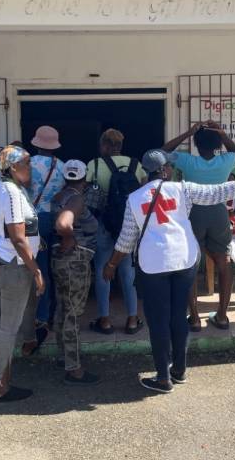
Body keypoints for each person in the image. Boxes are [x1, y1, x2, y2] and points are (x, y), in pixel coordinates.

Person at [104, 149, 235, 393]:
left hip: (153, 264)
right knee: (178, 315)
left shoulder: (134, 198)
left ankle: (163, 378)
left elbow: (125, 240)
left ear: (145, 171)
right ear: (165, 169)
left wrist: (111, 264)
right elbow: (219, 191)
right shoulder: (182, 189)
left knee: (158, 320)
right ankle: (179, 370)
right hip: (184, 260)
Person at [0, 145, 45, 402]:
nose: (30, 168)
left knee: (12, 323)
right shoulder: (12, 193)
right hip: (16, 265)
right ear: (12, 167)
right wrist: (36, 270)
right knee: (8, 328)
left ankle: (3, 380)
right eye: (26, 163)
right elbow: (17, 237)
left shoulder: (1, 188)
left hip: (9, 260)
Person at [162, 120, 235, 331]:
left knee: (190, 265)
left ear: (196, 144)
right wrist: (222, 134)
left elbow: (162, 152)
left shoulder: (187, 161)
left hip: (192, 213)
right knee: (223, 261)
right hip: (218, 213)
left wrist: (188, 132)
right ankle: (222, 316)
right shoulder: (226, 161)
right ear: (218, 144)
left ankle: (195, 318)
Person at [86, 129, 147, 335]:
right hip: (129, 224)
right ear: (120, 145)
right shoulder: (136, 165)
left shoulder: (94, 165)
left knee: (103, 269)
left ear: (104, 145)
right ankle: (132, 319)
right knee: (127, 271)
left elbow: (86, 193)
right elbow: (144, 191)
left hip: (104, 224)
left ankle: (104, 320)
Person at [51, 160, 100, 386]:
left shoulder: (59, 196)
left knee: (63, 308)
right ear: (85, 177)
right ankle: (75, 369)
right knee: (73, 313)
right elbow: (63, 223)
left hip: (60, 259)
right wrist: (69, 237)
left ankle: (64, 357)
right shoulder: (77, 199)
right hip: (75, 260)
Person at [28, 125, 65, 330]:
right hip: (56, 220)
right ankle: (54, 312)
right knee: (54, 268)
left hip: (34, 220)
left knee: (38, 268)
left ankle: (41, 316)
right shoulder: (63, 165)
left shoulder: (28, 164)